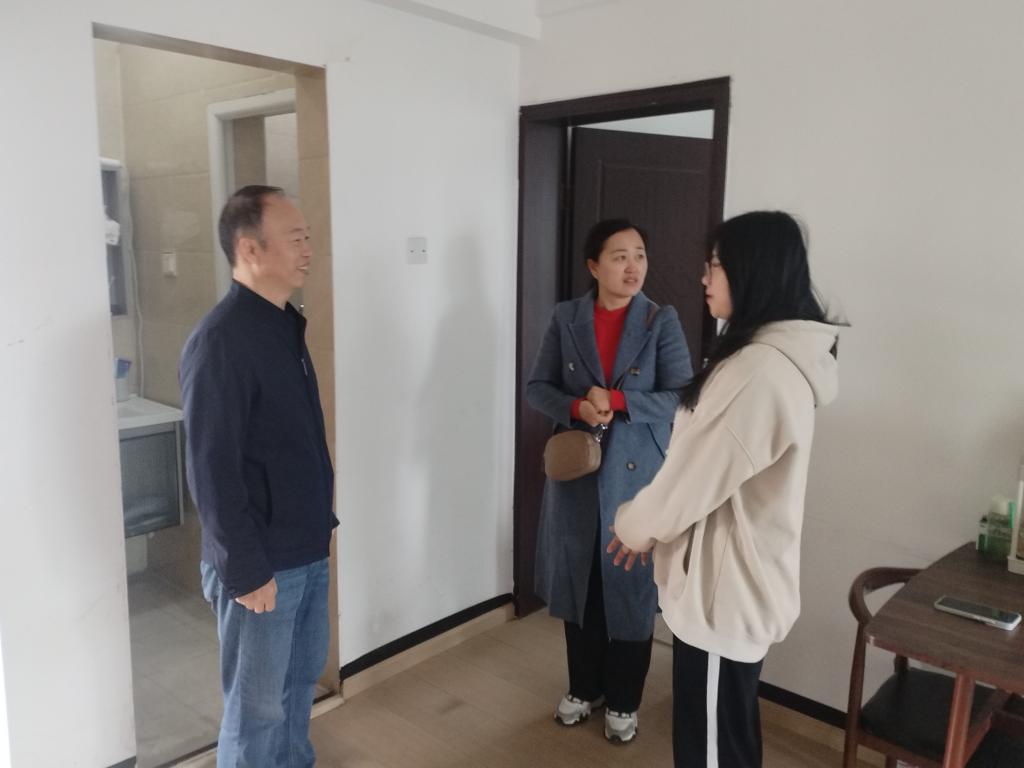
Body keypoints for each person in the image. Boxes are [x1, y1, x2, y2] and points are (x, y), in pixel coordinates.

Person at [609, 211, 840, 767]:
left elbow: (688, 483)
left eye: (714, 265)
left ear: (751, 270)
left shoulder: (758, 371)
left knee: (711, 751)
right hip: (731, 588)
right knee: (727, 741)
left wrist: (633, 527)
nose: (704, 278)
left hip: (724, 597)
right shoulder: (767, 359)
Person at [180, 185, 336, 767]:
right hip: (261, 565)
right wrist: (245, 570)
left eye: (307, 237)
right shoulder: (221, 340)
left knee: (296, 692)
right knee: (256, 711)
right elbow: (211, 470)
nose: (307, 249)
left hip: (305, 548)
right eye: (295, 238)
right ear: (250, 249)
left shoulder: (282, 325)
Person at [527, 219, 692, 743]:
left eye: (639, 254)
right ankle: (584, 688)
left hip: (637, 475)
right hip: (577, 472)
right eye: (619, 256)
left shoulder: (660, 321)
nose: (633, 266)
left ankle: (623, 699)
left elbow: (682, 397)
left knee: (629, 586)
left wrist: (618, 400)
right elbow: (537, 387)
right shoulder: (567, 317)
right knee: (581, 582)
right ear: (594, 266)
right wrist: (577, 406)